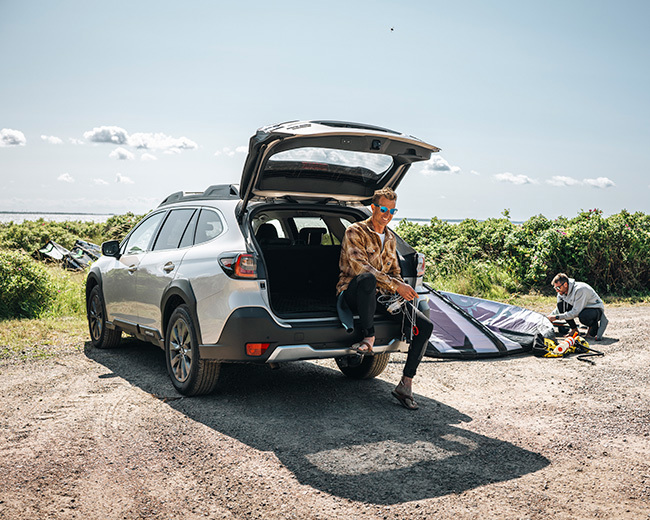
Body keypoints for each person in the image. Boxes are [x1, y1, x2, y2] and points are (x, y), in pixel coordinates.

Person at [337, 187, 434, 410]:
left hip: (381, 296)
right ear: (373, 208)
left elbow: (395, 272)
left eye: (392, 211)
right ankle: (369, 336)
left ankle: (405, 384)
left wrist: (401, 290)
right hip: (353, 292)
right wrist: (395, 285)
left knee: (425, 326)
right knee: (368, 279)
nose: (387, 215)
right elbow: (360, 268)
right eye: (383, 209)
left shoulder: (390, 237)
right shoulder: (355, 231)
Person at [547, 273, 608, 341]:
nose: (557, 290)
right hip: (580, 308)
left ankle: (593, 328)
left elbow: (576, 312)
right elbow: (559, 309)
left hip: (594, 309)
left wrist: (556, 317)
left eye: (558, 288)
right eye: (555, 288)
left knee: (584, 316)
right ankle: (574, 330)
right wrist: (548, 318)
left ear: (565, 284)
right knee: (561, 306)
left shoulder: (580, 290)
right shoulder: (561, 292)